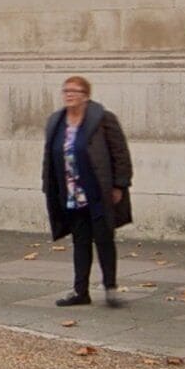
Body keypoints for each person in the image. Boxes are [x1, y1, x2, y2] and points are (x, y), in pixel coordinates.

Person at [40, 74, 133, 308]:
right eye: (66, 90)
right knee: (80, 242)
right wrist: (48, 185)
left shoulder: (102, 119)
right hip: (71, 193)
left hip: (97, 191)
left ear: (86, 96)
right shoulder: (56, 122)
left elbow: (120, 153)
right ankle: (80, 291)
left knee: (104, 239)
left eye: (75, 91)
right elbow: (49, 157)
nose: (69, 94)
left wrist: (120, 184)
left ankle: (110, 288)